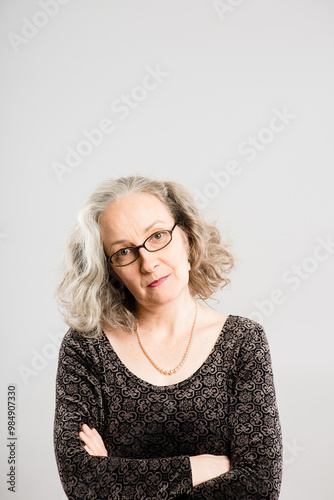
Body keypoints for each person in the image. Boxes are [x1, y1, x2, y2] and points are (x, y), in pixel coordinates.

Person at [53, 175, 283, 499]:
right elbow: (83, 482)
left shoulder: (242, 342)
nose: (148, 262)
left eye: (158, 235)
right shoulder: (86, 348)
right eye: (124, 252)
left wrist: (118, 476)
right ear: (111, 271)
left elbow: (258, 486)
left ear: (186, 238)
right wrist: (200, 468)